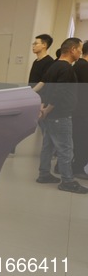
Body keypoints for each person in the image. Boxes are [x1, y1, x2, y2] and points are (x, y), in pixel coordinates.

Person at [36, 37, 88, 194]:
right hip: (61, 115)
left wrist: (37, 102)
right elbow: (59, 93)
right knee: (66, 148)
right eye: (79, 49)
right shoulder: (67, 69)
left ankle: (44, 174)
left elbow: (42, 84)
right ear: (72, 50)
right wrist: (47, 109)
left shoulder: (54, 66)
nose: (80, 52)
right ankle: (67, 181)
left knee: (48, 146)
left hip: (52, 115)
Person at [71, 41, 88, 180]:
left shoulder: (78, 65)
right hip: (82, 111)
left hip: (77, 110)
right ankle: (77, 168)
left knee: (76, 139)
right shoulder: (84, 67)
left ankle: (66, 165)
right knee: (82, 141)